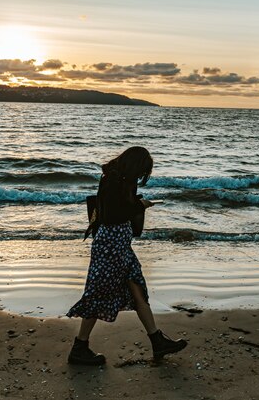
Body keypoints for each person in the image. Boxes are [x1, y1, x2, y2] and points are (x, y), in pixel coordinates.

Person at [66, 146, 187, 365]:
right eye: (142, 171)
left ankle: (157, 341)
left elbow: (119, 210)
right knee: (98, 294)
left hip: (121, 247)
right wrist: (140, 205)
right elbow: (113, 216)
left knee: (138, 290)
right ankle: (79, 347)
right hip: (110, 247)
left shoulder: (121, 180)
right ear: (134, 166)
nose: (142, 176)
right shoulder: (113, 181)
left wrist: (136, 203)